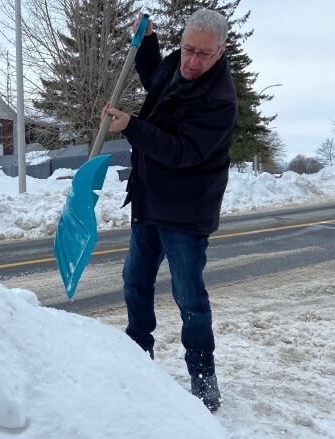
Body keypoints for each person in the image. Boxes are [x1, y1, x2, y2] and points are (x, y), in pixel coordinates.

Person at [101, 8, 237, 412]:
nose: (192, 61)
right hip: (149, 197)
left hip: (187, 210)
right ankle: (137, 362)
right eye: (187, 49)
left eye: (204, 54)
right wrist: (146, 43)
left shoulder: (219, 100)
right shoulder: (177, 65)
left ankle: (203, 379)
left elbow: (181, 152)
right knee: (135, 283)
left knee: (188, 296)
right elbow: (155, 79)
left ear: (221, 51)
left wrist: (131, 126)